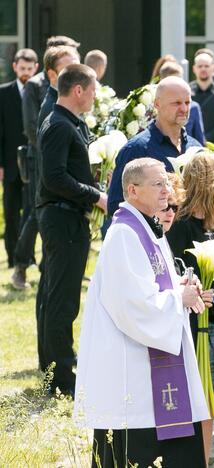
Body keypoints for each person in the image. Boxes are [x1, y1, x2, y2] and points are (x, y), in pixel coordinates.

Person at [74, 158, 208, 467]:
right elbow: (134, 305)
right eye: (157, 184)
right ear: (133, 190)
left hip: (151, 369)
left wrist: (181, 284)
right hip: (134, 374)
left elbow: (154, 282)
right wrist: (179, 297)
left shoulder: (148, 228)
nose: (166, 190)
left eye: (166, 182)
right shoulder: (124, 234)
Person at [37, 64, 106, 396]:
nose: (95, 96)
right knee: (62, 300)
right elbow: (54, 178)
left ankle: (61, 366)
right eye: (92, 89)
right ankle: (61, 377)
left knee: (64, 298)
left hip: (70, 217)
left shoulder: (71, 124)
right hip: (61, 218)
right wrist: (96, 196)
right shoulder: (58, 126)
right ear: (78, 90)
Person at [166, 152, 214, 460]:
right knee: (199, 401)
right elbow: (175, 273)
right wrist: (205, 294)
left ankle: (204, 459)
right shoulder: (180, 224)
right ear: (208, 182)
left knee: (213, 400)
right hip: (195, 328)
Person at [12, 44, 78, 288]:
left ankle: (45, 265)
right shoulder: (34, 85)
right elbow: (31, 125)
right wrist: (50, 151)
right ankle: (20, 263)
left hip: (58, 156)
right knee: (34, 213)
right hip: (38, 157)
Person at [108, 76, 203, 216]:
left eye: (187, 102)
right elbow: (117, 205)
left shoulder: (196, 148)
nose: (184, 108)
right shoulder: (136, 149)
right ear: (157, 104)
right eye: (176, 103)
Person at [1, 48, 37, 274]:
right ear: (15, 67)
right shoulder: (3, 93)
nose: (25, 72)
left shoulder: (39, 91)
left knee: (31, 210)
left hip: (33, 162)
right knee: (12, 210)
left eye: (29, 69)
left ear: (36, 68)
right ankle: (13, 257)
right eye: (21, 68)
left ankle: (28, 256)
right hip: (10, 161)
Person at [159, 61, 206, 145]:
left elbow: (200, 141)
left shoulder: (193, 107)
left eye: (179, 79)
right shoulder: (150, 106)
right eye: (172, 82)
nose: (183, 109)